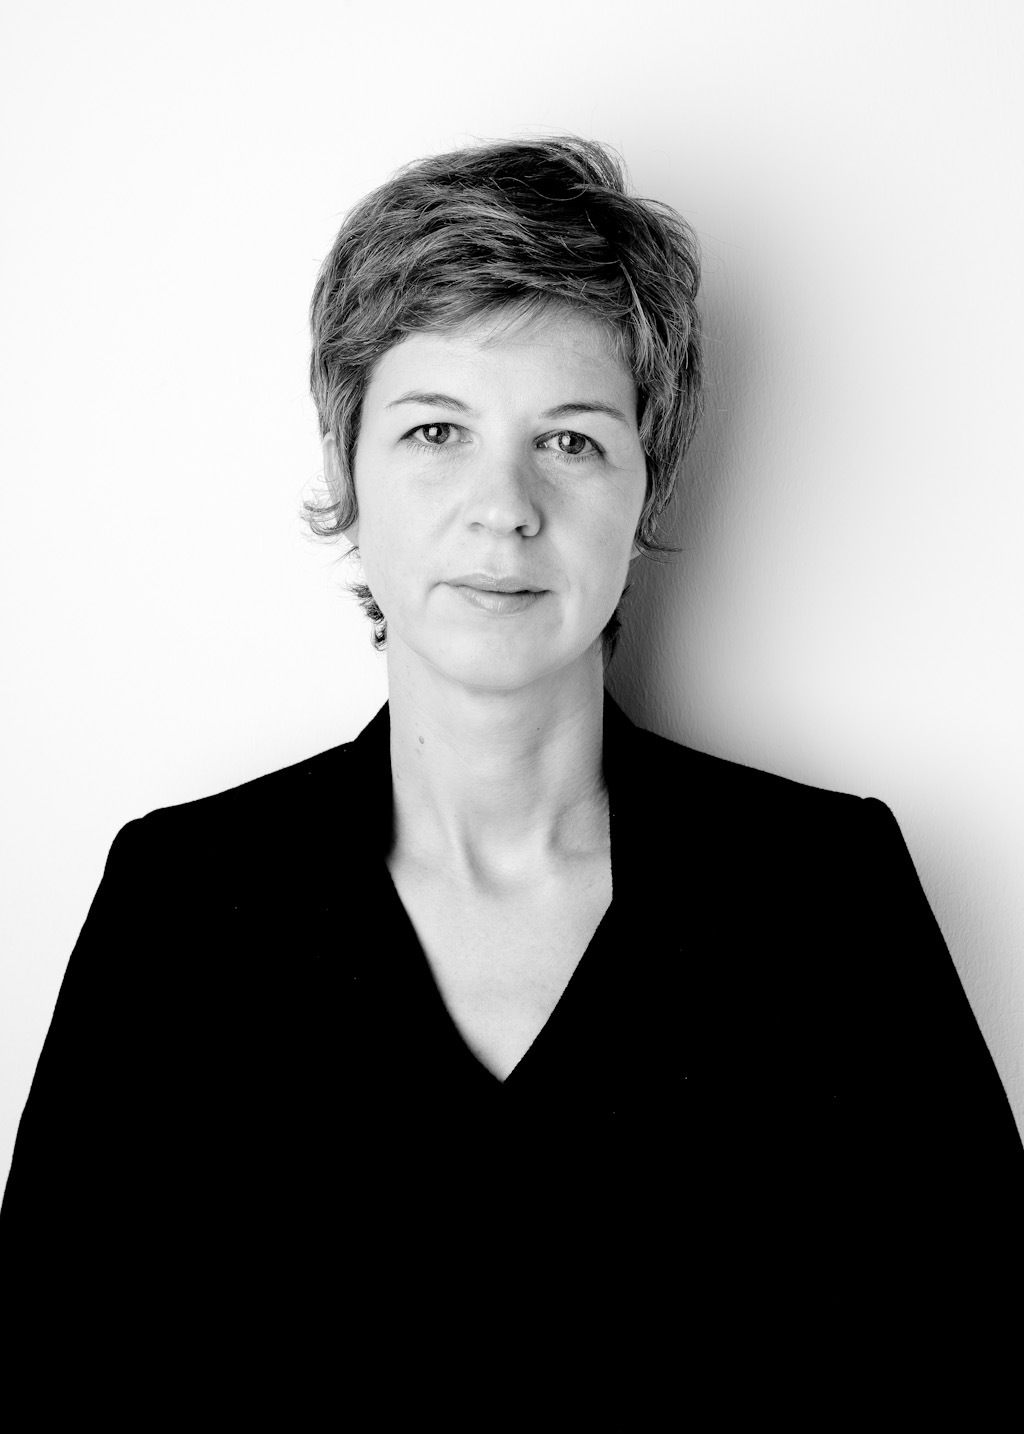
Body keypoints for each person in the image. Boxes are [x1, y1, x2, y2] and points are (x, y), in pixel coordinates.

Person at [3, 136, 1021, 1374]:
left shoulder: (826, 892)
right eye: (436, 430)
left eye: (571, 440)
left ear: (647, 491)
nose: (505, 508)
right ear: (345, 471)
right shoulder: (179, 904)